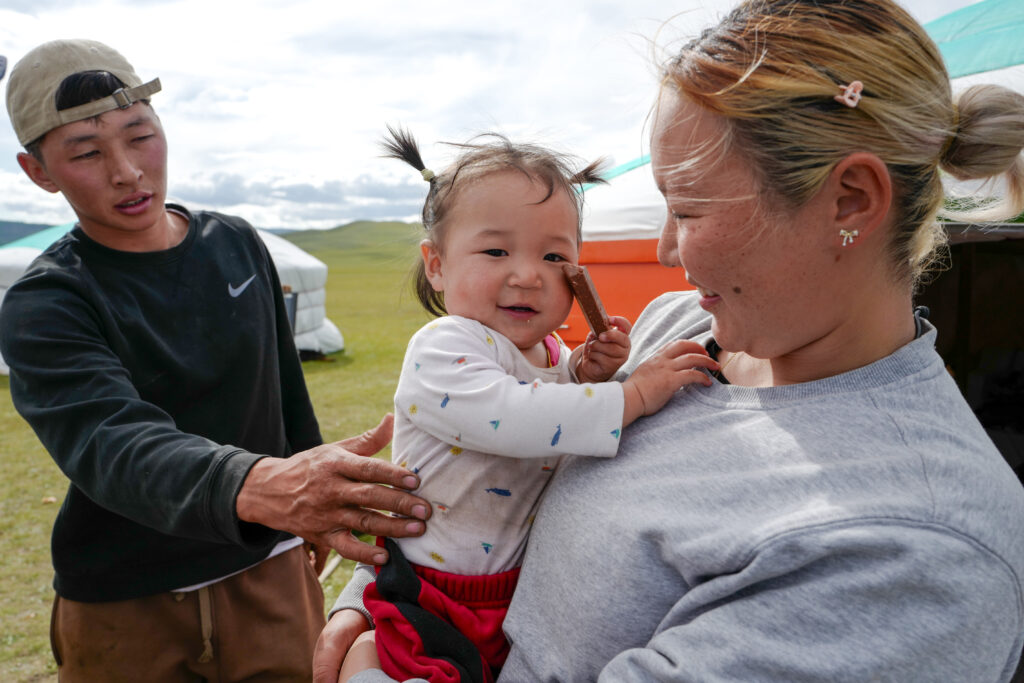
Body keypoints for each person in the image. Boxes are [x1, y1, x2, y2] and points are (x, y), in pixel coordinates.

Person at [314, 0, 1024, 681]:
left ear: (851, 200)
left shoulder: (913, 556)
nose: (663, 250)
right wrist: (372, 602)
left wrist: (364, 668)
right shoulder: (677, 328)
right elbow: (481, 474)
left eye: (688, 209)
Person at [1, 39, 433, 682]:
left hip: (268, 573)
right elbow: (109, 441)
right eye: (87, 153)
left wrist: (310, 501)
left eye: (140, 136)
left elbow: (283, 385)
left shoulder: (234, 243)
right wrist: (268, 489)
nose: (128, 171)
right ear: (38, 171)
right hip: (125, 597)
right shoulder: (47, 299)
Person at [334, 128, 718, 683]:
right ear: (437, 264)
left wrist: (582, 373)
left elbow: (546, 399)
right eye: (496, 251)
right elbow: (512, 417)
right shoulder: (443, 346)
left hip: (512, 591)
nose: (528, 275)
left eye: (554, 255)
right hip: (429, 588)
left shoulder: (552, 352)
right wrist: (629, 394)